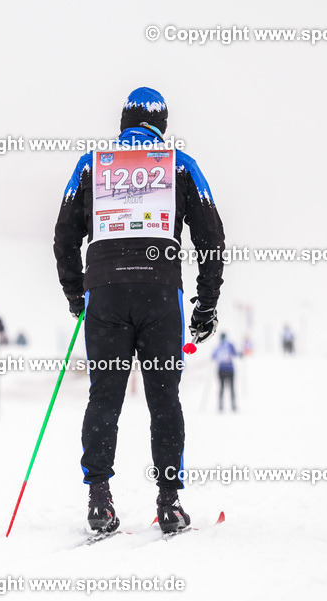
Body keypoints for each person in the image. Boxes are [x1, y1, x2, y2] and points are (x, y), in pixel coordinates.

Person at [53, 87, 226, 534]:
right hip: (159, 293)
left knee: (103, 397)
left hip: (105, 294)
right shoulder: (178, 164)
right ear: (162, 123)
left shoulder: (93, 163)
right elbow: (211, 236)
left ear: (123, 121)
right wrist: (205, 306)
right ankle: (169, 503)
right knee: (164, 399)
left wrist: (77, 296)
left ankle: (98, 500)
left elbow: (63, 235)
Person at [213, 333, 241, 412]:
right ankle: (233, 406)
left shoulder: (218, 346)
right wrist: (241, 354)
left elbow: (213, 356)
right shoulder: (229, 345)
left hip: (221, 370)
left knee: (221, 388)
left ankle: (220, 406)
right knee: (232, 388)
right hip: (230, 369)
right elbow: (235, 353)